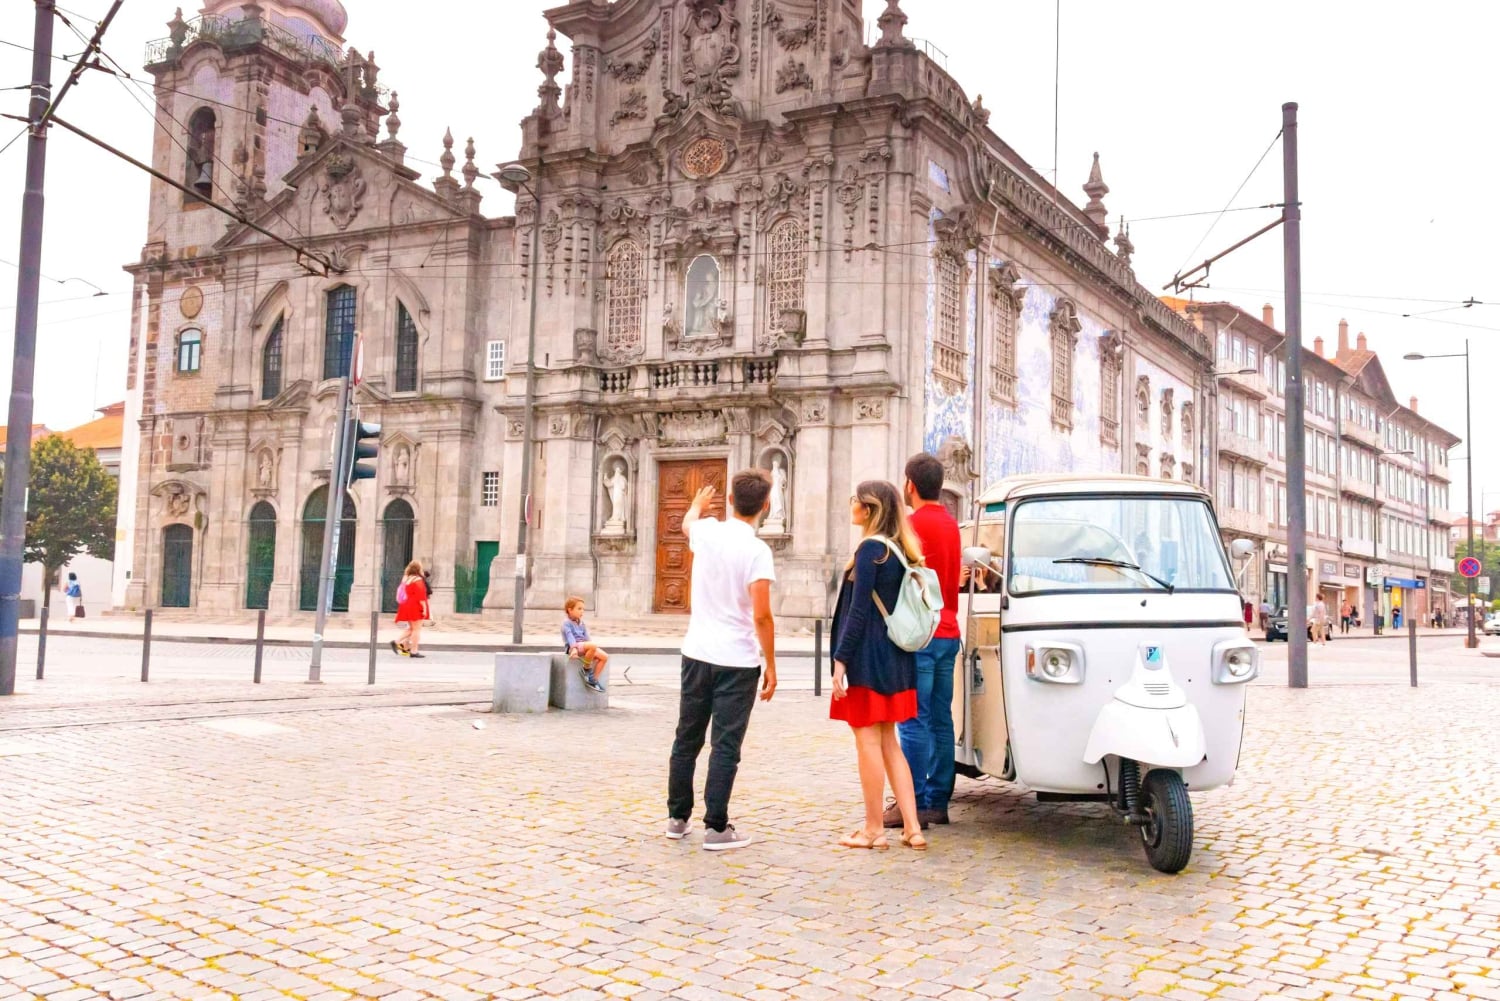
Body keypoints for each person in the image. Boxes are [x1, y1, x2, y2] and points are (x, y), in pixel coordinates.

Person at [665, 470, 777, 851]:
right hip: (738, 660)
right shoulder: (758, 551)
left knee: (687, 736)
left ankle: (677, 818)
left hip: (696, 652)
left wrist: (696, 505)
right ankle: (716, 827)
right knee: (725, 744)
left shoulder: (707, 531)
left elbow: (686, 524)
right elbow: (762, 615)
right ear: (766, 505)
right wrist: (772, 665)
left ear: (730, 500)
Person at [831, 480, 927, 852]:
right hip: (896, 659)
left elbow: (857, 612)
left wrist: (841, 660)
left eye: (856, 499)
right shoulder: (901, 549)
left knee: (867, 741)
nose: (851, 504)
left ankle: (873, 829)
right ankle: (912, 827)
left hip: (868, 659)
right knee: (890, 743)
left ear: (869, 509)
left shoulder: (870, 549)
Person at [890, 453, 961, 831]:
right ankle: (937, 802)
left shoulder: (909, 525)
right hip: (949, 632)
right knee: (940, 719)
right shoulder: (952, 526)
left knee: (912, 720)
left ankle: (911, 802)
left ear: (910, 486)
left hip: (919, 635)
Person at [562, 596, 610, 693]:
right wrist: (574, 649)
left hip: (584, 646)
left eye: (583, 609)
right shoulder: (566, 623)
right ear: (570, 610)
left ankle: (593, 680)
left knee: (604, 657)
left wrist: (593, 651)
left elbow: (587, 638)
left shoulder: (581, 623)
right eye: (579, 609)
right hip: (573, 647)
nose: (582, 611)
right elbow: (570, 636)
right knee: (592, 646)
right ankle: (586, 669)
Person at [390, 560, 428, 658]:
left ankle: (396, 642)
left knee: (412, 628)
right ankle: (414, 651)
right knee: (417, 630)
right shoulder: (418, 580)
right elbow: (421, 595)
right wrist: (424, 608)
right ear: (419, 569)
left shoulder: (406, 579)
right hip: (415, 606)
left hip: (407, 605)